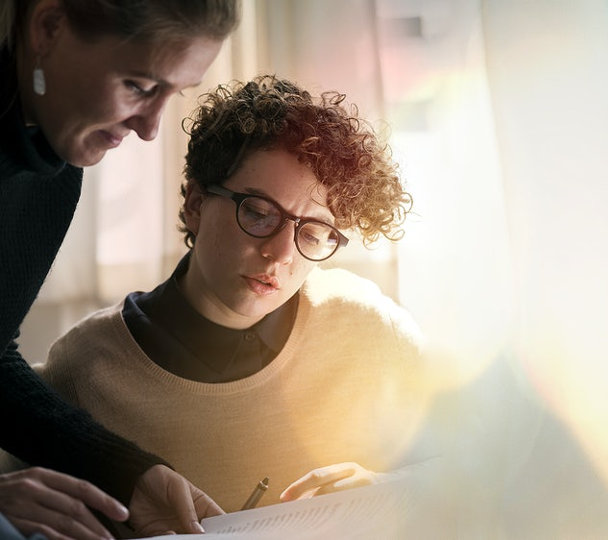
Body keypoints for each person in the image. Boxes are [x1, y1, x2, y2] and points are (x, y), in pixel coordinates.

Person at [27, 74, 438, 514]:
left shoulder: (367, 327)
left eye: (314, 232)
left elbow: (471, 470)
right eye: (259, 213)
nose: (279, 253)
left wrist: (383, 489)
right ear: (196, 204)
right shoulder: (84, 370)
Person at [0, 0, 239, 538]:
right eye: (137, 85)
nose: (151, 128)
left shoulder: (53, 164)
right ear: (49, 26)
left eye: (172, 93)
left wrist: (130, 473)